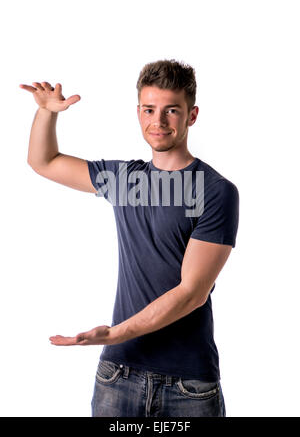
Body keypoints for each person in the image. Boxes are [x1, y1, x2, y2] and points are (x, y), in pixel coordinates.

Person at [21, 59, 239, 417]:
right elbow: (43, 162)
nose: (159, 121)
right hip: (118, 375)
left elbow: (192, 292)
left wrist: (115, 334)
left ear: (192, 115)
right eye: (150, 109)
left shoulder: (215, 191)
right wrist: (47, 113)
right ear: (138, 113)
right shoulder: (124, 179)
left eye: (172, 110)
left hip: (188, 384)